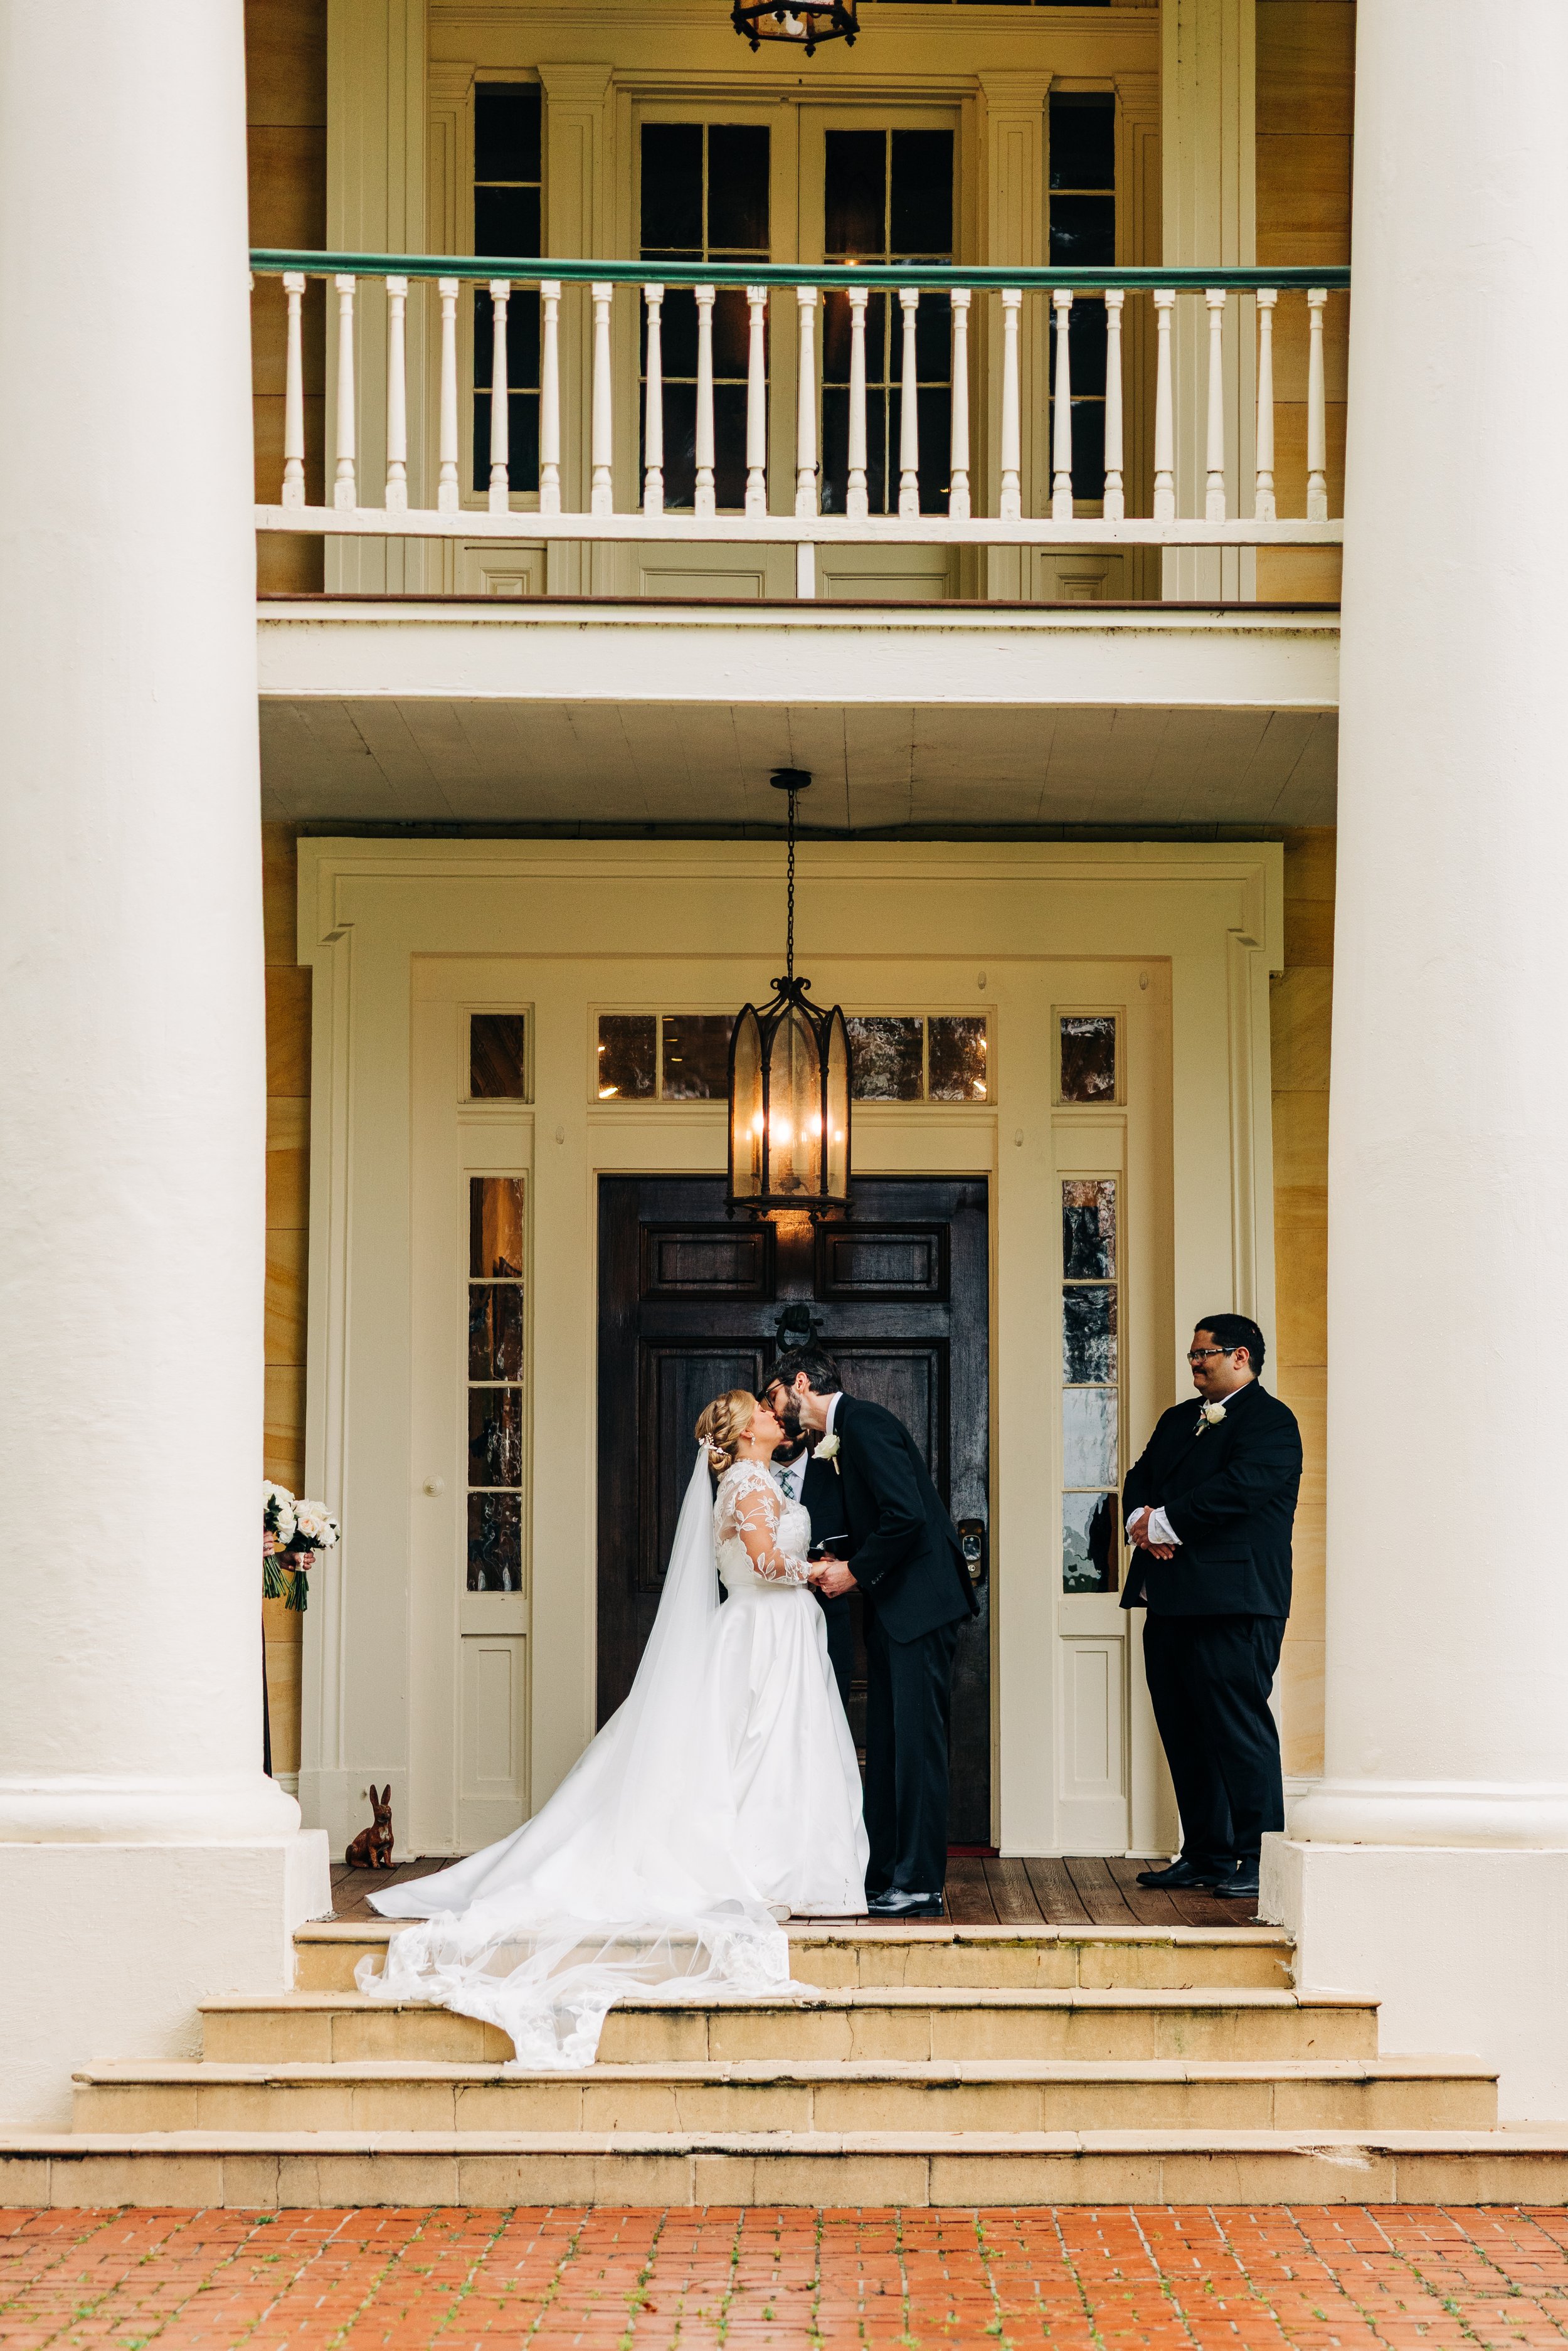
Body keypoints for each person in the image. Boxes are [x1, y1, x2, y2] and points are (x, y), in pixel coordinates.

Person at [358, 1389, 867, 2064]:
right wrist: (821, 1571)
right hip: (761, 1630)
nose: (779, 1416)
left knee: (778, 1749)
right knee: (753, 1745)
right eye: (765, 1412)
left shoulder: (758, 1478)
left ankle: (783, 1864)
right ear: (746, 1433)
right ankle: (758, 1867)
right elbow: (765, 1562)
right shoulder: (747, 1483)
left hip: (780, 1629)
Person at [767, 1347, 977, 1921]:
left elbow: (906, 1514)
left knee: (916, 1748)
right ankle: (884, 1874)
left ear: (800, 1382)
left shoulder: (865, 1423)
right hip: (894, 1611)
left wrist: (854, 1571)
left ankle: (920, 1884)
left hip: (920, 1609)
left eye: (775, 1395)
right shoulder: (842, 1433)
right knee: (888, 1745)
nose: (774, 1410)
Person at [1121, 1313, 1303, 1904]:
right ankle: (1206, 1853)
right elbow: (1141, 1477)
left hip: (1235, 1602)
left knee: (1238, 1730)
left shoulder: (1272, 1422)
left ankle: (1259, 1858)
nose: (1195, 1363)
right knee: (1184, 1728)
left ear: (1241, 1357)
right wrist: (1140, 1520)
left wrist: (1166, 1522)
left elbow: (1242, 1489)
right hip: (1170, 1599)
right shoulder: (1179, 1418)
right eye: (1193, 1354)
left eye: (1206, 1353)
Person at [766, 1415, 854, 1712]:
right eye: (775, 1420)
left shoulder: (840, 1476)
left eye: (790, 1420)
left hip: (827, 1626)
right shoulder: (742, 1480)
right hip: (759, 1628)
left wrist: (845, 1565)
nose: (784, 1429)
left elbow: (867, 1538)